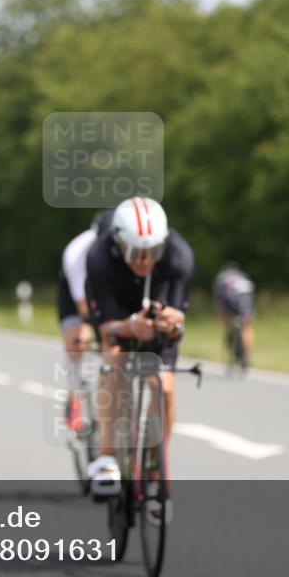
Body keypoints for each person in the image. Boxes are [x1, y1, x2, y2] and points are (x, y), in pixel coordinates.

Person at [85, 197, 194, 496]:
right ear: (119, 244)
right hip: (118, 312)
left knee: (165, 386)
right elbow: (107, 327)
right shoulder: (99, 258)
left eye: (152, 253)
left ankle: (156, 461)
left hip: (156, 314)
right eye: (135, 253)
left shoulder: (178, 256)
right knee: (114, 363)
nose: (144, 262)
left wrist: (173, 323)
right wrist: (131, 326)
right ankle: (107, 455)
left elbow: (179, 319)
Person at [57, 209, 113, 432]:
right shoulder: (77, 252)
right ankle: (74, 395)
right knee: (79, 340)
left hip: (106, 290)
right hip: (75, 296)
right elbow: (83, 308)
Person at [213, 262, 256, 366]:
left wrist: (221, 313)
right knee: (246, 326)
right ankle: (246, 352)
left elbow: (219, 298)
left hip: (229, 303)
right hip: (246, 302)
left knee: (229, 324)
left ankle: (232, 343)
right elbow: (250, 297)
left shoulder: (221, 279)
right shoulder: (243, 278)